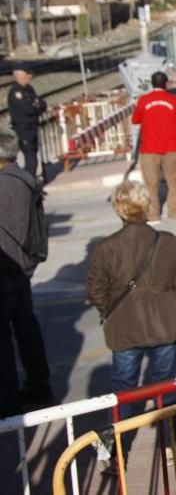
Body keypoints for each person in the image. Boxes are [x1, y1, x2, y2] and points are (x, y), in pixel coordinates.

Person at [85, 181, 176, 467]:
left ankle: (112, 451)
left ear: (119, 209)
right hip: (163, 324)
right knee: (163, 384)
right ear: (145, 205)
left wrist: (111, 310)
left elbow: (95, 289)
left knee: (122, 388)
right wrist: (169, 305)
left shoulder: (106, 247)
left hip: (124, 326)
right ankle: (169, 444)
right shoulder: (166, 241)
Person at [0, 126, 53, 418]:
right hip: (21, 265)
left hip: (7, 267)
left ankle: (9, 399)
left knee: (6, 336)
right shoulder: (23, 179)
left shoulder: (6, 184)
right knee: (25, 327)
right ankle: (38, 384)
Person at [131, 71, 176, 223]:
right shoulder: (173, 100)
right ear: (166, 83)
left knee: (151, 183)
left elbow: (135, 119)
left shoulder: (144, 100)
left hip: (150, 147)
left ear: (152, 83)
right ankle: (175, 212)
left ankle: (153, 214)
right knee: (174, 181)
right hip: (172, 146)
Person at [7, 66, 47, 180]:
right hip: (23, 129)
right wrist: (36, 106)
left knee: (33, 155)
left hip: (33, 127)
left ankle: (30, 179)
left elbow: (42, 104)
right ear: (20, 76)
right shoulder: (15, 92)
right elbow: (28, 109)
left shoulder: (29, 89)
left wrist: (37, 106)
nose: (30, 76)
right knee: (30, 157)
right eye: (27, 74)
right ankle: (28, 181)